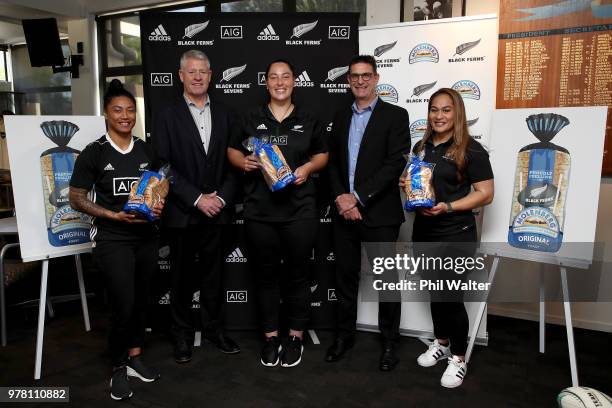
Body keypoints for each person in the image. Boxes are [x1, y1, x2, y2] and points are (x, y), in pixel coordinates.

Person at [227, 59, 328, 367]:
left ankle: (295, 336)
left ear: (294, 81)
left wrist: (309, 168)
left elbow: (323, 154)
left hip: (300, 210)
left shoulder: (309, 117)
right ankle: (271, 337)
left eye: (286, 77)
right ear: (266, 82)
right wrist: (242, 162)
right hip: (260, 211)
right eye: (274, 77)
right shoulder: (250, 117)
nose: (280, 82)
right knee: (266, 277)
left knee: (299, 276)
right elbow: (232, 149)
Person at [69, 79, 162, 401]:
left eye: (130, 110)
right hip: (113, 238)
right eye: (117, 110)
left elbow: (158, 189)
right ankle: (118, 367)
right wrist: (111, 215)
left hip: (146, 238)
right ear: (106, 114)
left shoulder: (147, 150)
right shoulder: (93, 152)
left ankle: (135, 357)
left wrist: (158, 203)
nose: (125, 116)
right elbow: (76, 198)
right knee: (122, 303)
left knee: (140, 301)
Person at [401, 87, 494, 388]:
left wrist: (449, 206)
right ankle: (440, 343)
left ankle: (458, 358)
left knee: (451, 298)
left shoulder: (471, 149)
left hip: (456, 234)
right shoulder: (421, 145)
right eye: (434, 109)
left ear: (457, 113)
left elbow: (486, 194)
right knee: (435, 292)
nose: (439, 116)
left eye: (446, 110)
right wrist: (408, 184)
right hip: (424, 233)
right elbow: (421, 186)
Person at [153, 50, 240, 364]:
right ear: (181, 75)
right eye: (192, 71)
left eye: (203, 71)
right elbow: (162, 165)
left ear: (211, 74)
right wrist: (196, 198)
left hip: (218, 212)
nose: (198, 76)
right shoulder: (166, 114)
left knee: (215, 277)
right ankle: (181, 335)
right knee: (180, 278)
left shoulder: (228, 113)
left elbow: (236, 163)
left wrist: (220, 198)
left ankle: (215, 329)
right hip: (182, 213)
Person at [325, 55, 411, 371]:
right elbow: (332, 164)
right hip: (343, 213)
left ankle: (390, 343)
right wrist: (340, 199)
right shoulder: (339, 116)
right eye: (354, 77)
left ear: (376, 79)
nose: (360, 81)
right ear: (348, 80)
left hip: (379, 213)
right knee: (344, 278)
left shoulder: (396, 116)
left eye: (366, 76)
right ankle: (343, 337)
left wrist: (356, 198)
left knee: (386, 281)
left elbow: (394, 164)